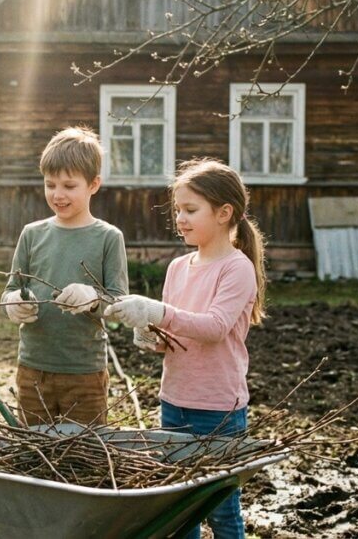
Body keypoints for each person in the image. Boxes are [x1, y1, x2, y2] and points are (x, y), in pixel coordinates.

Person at [104, 158, 267, 539]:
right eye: (177, 209)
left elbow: (213, 328)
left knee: (221, 509)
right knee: (180, 509)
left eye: (191, 210)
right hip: (173, 400)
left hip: (217, 409)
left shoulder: (236, 268)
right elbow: (174, 332)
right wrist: (150, 333)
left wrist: (159, 311)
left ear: (225, 213)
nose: (180, 218)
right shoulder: (178, 267)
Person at [1, 127, 128, 427]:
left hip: (85, 372)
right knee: (34, 451)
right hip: (33, 368)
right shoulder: (32, 234)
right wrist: (13, 303)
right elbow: (11, 288)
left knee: (84, 456)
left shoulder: (108, 237)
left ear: (94, 184)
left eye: (69, 186)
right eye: (50, 184)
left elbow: (119, 303)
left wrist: (93, 298)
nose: (58, 194)